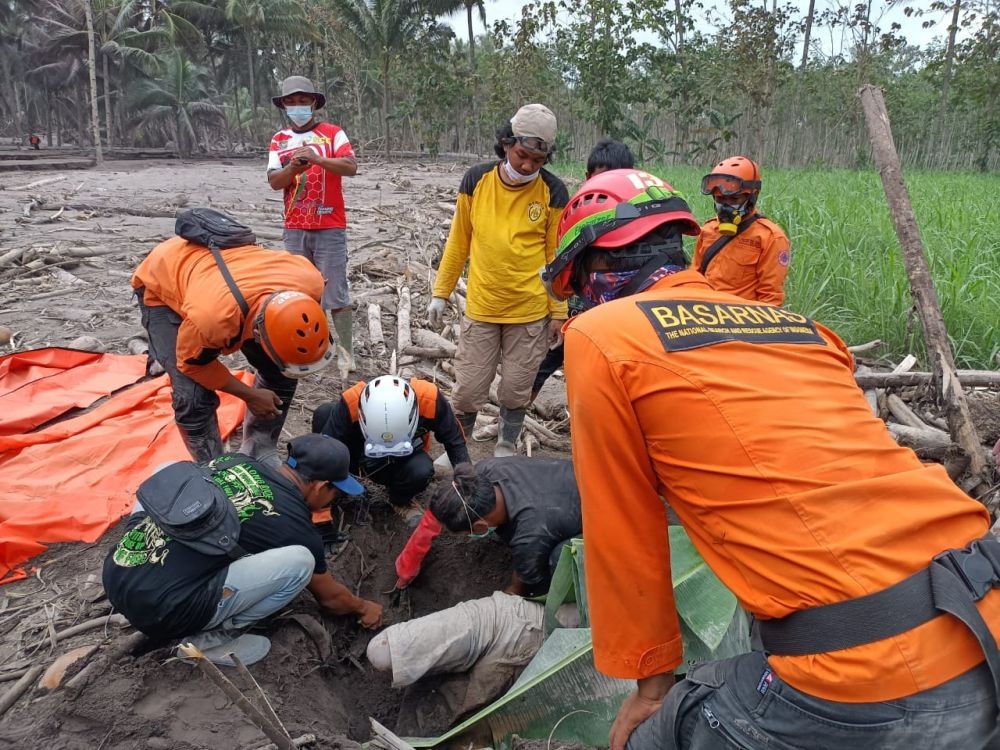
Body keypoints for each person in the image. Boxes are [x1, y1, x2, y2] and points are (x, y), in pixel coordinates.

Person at [544, 167, 1000, 749]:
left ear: (594, 269)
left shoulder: (602, 335)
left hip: (873, 668)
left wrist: (651, 685)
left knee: (647, 739)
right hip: (982, 603)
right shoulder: (806, 330)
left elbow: (622, 529)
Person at [103, 434, 383, 666]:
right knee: (301, 562)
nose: (334, 501)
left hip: (116, 572)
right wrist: (363, 607)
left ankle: (136, 545)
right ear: (321, 486)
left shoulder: (234, 460)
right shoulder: (297, 527)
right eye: (336, 493)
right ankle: (210, 640)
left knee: (167, 468)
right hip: (163, 613)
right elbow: (331, 600)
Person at [428, 104, 569, 457]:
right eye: (522, 155)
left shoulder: (553, 192)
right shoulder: (476, 181)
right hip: (483, 305)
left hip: (530, 309)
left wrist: (558, 312)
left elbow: (554, 256)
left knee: (517, 387)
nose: (527, 166)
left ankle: (506, 442)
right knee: (469, 385)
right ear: (506, 144)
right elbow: (459, 241)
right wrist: (440, 293)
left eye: (538, 161)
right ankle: (457, 449)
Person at [132, 235, 332, 464]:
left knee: (281, 369)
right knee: (193, 395)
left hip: (228, 277)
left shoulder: (311, 281)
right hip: (165, 279)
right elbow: (192, 365)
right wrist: (250, 396)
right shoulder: (213, 320)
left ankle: (260, 448)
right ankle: (214, 467)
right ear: (257, 334)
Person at [531, 139, 635, 401]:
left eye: (616, 178)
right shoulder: (574, 212)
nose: (607, 185)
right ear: (588, 176)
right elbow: (557, 259)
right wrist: (558, 314)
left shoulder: (636, 219)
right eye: (602, 178)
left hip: (613, 317)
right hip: (573, 311)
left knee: (602, 380)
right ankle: (510, 424)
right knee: (538, 370)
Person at [267, 76, 358, 373]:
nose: (298, 107)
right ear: (283, 106)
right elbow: (273, 182)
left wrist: (318, 159)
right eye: (291, 102)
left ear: (314, 104)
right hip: (295, 227)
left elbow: (350, 167)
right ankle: (313, 348)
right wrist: (293, 166)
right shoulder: (279, 141)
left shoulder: (333, 134)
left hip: (330, 224)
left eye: (303, 101)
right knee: (300, 291)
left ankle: (346, 353)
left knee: (337, 293)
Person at [312, 375, 470, 527]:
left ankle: (400, 500)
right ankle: (335, 490)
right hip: (356, 455)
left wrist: (468, 488)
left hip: (404, 460)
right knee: (325, 413)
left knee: (421, 470)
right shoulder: (351, 402)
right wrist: (319, 510)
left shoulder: (429, 400)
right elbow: (324, 454)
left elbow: (455, 442)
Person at [417, 458, 582, 597]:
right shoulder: (484, 470)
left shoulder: (530, 535)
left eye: (467, 533)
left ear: (480, 527)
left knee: (560, 558)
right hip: (578, 473)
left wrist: (514, 590)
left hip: (601, 517)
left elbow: (526, 577)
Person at [690, 155, 790, 305]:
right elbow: (694, 277)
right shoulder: (708, 230)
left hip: (740, 320)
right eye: (720, 199)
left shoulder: (771, 238)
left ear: (752, 196)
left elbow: (770, 298)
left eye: (734, 199)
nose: (725, 206)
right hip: (704, 314)